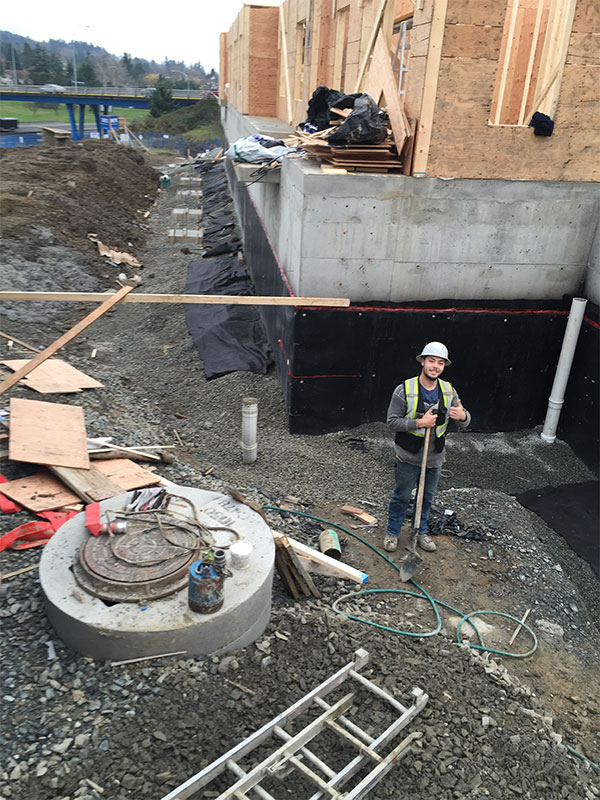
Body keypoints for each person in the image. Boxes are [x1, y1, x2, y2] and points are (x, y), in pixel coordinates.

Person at [383, 341, 471, 553]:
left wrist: (464, 416)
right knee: (401, 497)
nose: (435, 366)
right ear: (422, 361)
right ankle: (392, 533)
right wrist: (419, 423)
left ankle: (421, 532)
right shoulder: (404, 389)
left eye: (440, 363)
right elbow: (391, 422)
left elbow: (464, 418)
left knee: (427, 498)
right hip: (408, 456)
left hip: (435, 458)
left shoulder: (448, 390)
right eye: (431, 361)